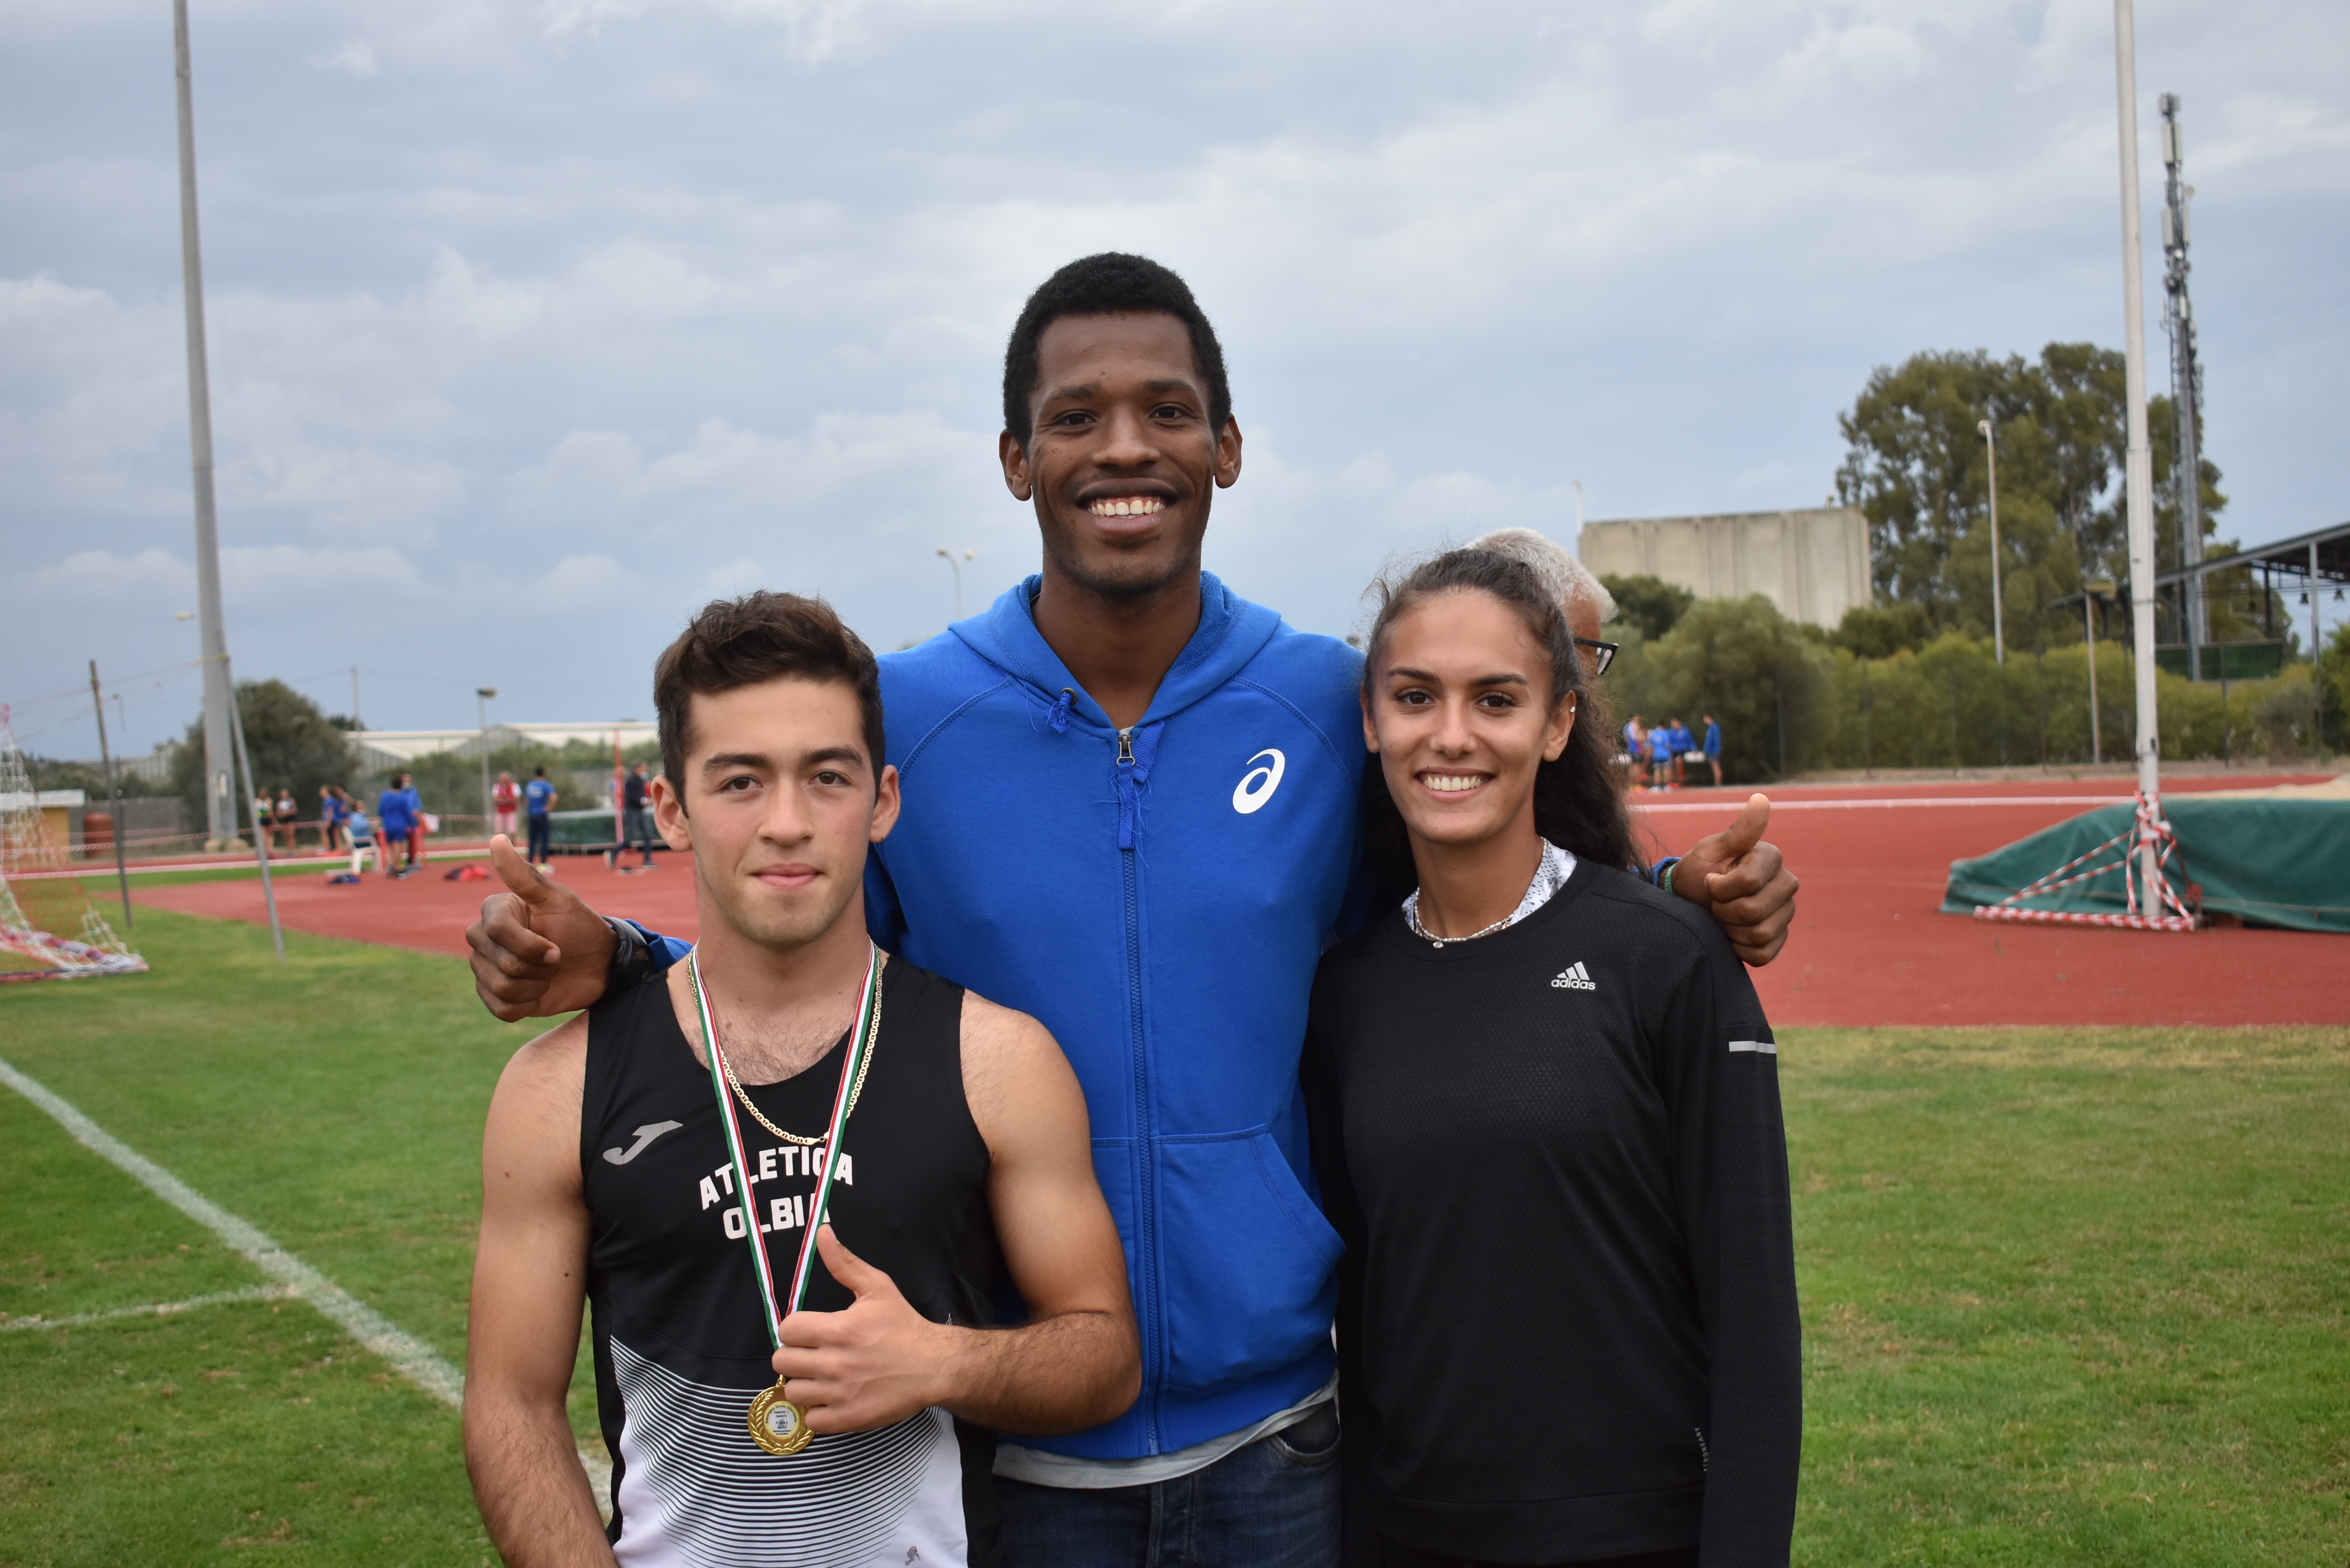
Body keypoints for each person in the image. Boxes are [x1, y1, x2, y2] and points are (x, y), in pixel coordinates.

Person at [460, 254, 1801, 1565]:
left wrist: (1668, 899)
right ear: (1013, 459)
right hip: (1010, 1439)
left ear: (1227, 447)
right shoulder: (907, 716)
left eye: (1166, 410)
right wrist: (628, 956)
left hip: (1284, 1440)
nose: (1123, 448)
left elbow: (1473, 893)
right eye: (1075, 416)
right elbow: (798, 960)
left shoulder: (1323, 700)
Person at [463, 591, 1139, 1566]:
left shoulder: (996, 1060)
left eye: (826, 777)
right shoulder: (556, 1091)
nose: (787, 823)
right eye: (740, 781)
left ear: (883, 801)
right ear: (671, 810)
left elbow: (1104, 1357)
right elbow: (511, 1406)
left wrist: (944, 1361)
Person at [1307, 549, 1799, 1568]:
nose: (1451, 735)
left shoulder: (1669, 959)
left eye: (1496, 699)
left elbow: (1753, 1321)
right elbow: (1363, 1315)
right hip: (1421, 1539)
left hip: (1640, 1540)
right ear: (1371, 718)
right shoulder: (1345, 993)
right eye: (1414, 696)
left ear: (1558, 722)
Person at [611, 760, 656, 872]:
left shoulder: (639, 780)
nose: (646, 771)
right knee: (631, 837)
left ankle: (647, 860)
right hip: (632, 811)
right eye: (644, 769)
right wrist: (646, 801)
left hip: (639, 811)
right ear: (638, 769)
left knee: (647, 836)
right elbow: (633, 798)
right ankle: (614, 852)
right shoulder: (632, 781)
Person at [377, 773, 419, 876]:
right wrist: (413, 825)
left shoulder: (385, 795)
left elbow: (381, 810)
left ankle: (390, 865)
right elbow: (408, 812)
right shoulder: (404, 797)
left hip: (388, 824)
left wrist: (384, 817)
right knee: (398, 845)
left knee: (390, 845)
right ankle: (397, 866)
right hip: (400, 824)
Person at [523, 765, 557, 869]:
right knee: (544, 839)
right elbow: (554, 798)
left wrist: (529, 810)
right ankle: (543, 863)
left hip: (532, 814)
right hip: (542, 815)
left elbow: (526, 801)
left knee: (532, 839)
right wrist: (549, 808)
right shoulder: (546, 785)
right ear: (544, 774)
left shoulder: (530, 785)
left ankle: (530, 863)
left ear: (534, 775)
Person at [345, 801, 379, 877]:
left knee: (376, 841)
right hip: (360, 841)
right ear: (356, 808)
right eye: (360, 807)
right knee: (378, 844)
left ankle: (377, 866)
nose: (363, 808)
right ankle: (380, 866)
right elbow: (361, 827)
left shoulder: (357, 817)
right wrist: (370, 824)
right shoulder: (356, 817)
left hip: (360, 839)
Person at [492, 770, 521, 844]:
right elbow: (494, 799)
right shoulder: (497, 787)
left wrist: (508, 800)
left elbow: (517, 800)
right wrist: (499, 801)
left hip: (511, 811)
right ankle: (500, 846)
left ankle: (512, 846)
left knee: (512, 831)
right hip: (500, 811)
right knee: (499, 832)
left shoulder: (514, 786)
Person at [1622, 713, 1649, 788]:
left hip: (1630, 748)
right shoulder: (1635, 725)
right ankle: (1637, 784)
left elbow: (1626, 738)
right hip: (1637, 748)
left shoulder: (1627, 727)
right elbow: (1637, 738)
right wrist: (1644, 739)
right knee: (1637, 766)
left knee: (1632, 766)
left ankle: (1632, 784)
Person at [320, 785, 347, 852]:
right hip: (333, 819)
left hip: (334, 819)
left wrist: (328, 821)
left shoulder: (330, 800)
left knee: (333, 834)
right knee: (332, 834)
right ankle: (333, 848)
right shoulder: (329, 800)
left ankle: (334, 848)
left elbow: (330, 810)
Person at [1703, 711, 1724, 787]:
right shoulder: (1711, 727)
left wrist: (1708, 749)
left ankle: (1718, 784)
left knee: (1716, 766)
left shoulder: (1714, 727)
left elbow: (1713, 740)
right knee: (1714, 767)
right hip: (1712, 750)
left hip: (1714, 750)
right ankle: (1717, 783)